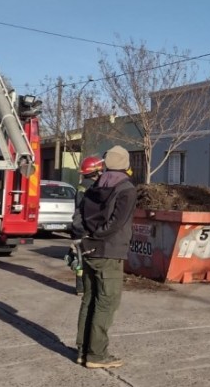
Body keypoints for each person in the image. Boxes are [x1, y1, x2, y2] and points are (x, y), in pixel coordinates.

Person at [74, 145, 137, 368]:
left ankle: (82, 351)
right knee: (107, 303)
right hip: (109, 252)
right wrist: (99, 235)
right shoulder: (126, 189)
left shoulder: (92, 188)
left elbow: (79, 219)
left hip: (89, 249)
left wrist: (88, 237)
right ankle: (97, 355)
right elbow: (116, 223)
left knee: (89, 300)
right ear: (126, 164)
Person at [70, 155, 104, 296]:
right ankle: (88, 287)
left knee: (80, 259)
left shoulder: (82, 185)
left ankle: (80, 287)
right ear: (96, 172)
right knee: (89, 260)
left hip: (78, 227)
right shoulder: (94, 187)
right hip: (86, 228)